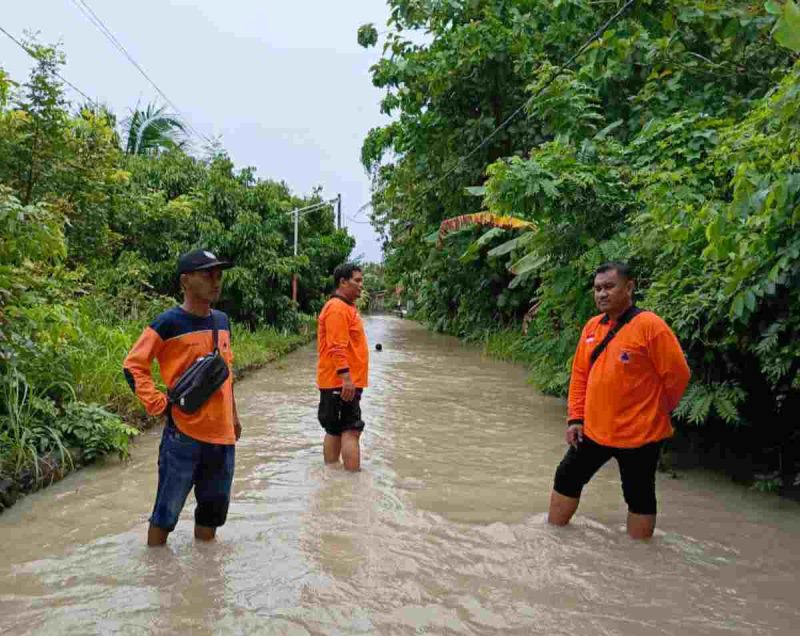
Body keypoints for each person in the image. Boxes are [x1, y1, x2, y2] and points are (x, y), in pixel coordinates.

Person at [548, 262, 690, 539]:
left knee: (639, 495)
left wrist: (657, 412)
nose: (602, 294)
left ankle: (639, 557)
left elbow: (678, 375)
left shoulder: (650, 326)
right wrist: (575, 418)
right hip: (593, 429)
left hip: (640, 433)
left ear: (629, 287)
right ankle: (553, 538)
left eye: (609, 287)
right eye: (598, 288)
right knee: (566, 477)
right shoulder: (592, 328)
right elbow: (579, 376)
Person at [123, 249, 241, 546]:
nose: (216, 281)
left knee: (211, 517)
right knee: (165, 514)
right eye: (207, 274)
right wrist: (157, 403)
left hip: (222, 437)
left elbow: (227, 372)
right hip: (183, 435)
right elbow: (133, 365)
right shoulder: (168, 323)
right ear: (186, 281)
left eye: (219, 275)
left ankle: (205, 579)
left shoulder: (222, 321)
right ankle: (158, 579)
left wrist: (234, 418)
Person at [316, 263, 369, 471]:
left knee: (336, 430)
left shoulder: (345, 307)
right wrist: (347, 379)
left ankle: (332, 477)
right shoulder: (337, 308)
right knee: (351, 431)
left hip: (340, 381)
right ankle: (353, 482)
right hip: (342, 382)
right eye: (357, 280)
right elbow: (336, 346)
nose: (361, 285)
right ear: (343, 282)